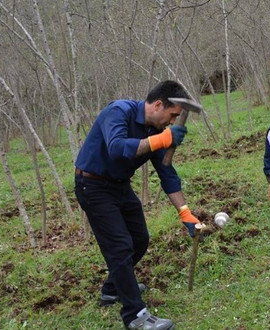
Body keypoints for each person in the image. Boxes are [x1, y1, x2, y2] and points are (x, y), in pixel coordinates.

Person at [74, 80, 202, 330]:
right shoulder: (119, 112)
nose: (173, 122)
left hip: (119, 185)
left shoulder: (155, 131)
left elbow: (167, 173)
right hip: (93, 185)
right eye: (172, 115)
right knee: (120, 248)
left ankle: (113, 289)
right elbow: (117, 148)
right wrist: (164, 139)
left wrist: (185, 213)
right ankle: (135, 315)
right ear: (157, 105)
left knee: (139, 240)